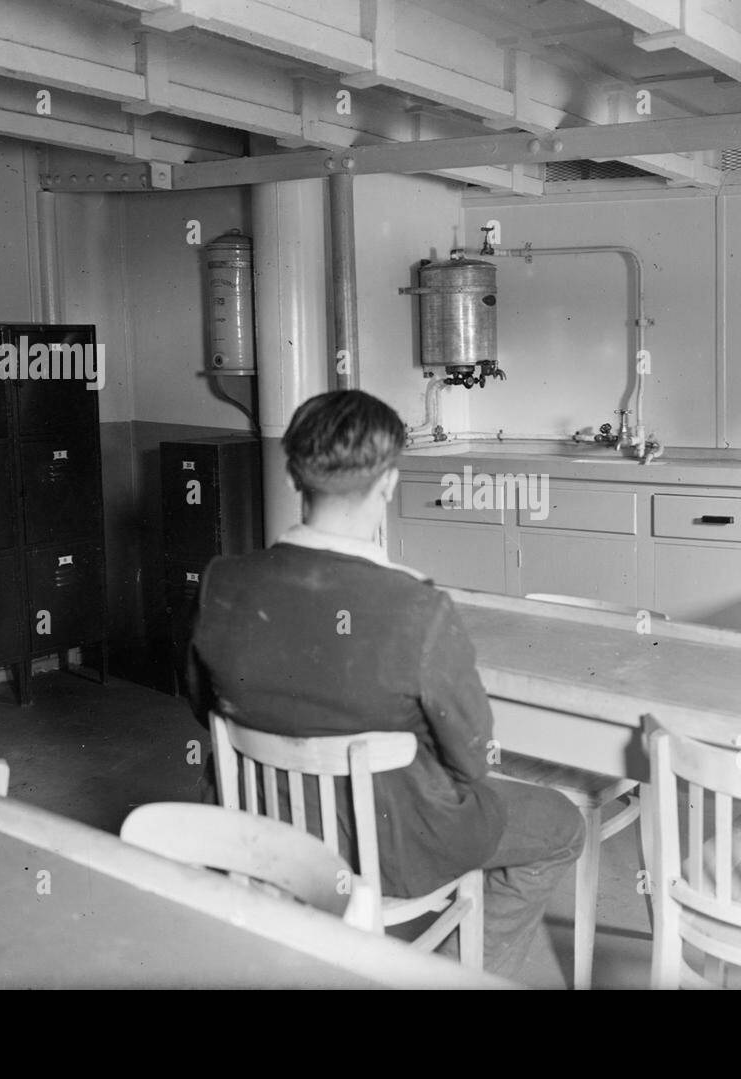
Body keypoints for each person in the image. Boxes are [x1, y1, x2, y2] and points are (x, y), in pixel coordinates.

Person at [186, 388, 584, 981]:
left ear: (296, 476)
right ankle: (453, 976)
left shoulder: (224, 581)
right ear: (390, 483)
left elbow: (203, 705)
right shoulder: (415, 607)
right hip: (387, 847)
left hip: (262, 830)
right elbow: (472, 759)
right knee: (561, 825)